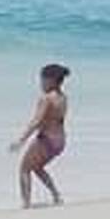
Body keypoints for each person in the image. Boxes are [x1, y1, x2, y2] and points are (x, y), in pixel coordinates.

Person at [10, 63, 70, 208]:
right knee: (37, 167)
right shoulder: (63, 97)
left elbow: (36, 121)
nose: (41, 83)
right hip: (60, 141)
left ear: (51, 80)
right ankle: (56, 195)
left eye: (42, 80)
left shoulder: (46, 98)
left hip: (46, 140)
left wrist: (21, 140)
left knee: (24, 169)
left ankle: (26, 204)